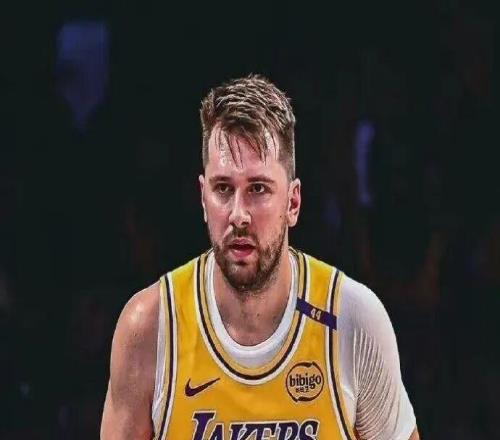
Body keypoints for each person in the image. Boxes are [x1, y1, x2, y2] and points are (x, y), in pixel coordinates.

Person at [101, 75, 419, 440]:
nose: (238, 215)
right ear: (203, 198)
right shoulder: (150, 328)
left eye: (258, 188)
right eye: (223, 188)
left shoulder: (352, 319)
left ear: (293, 203)